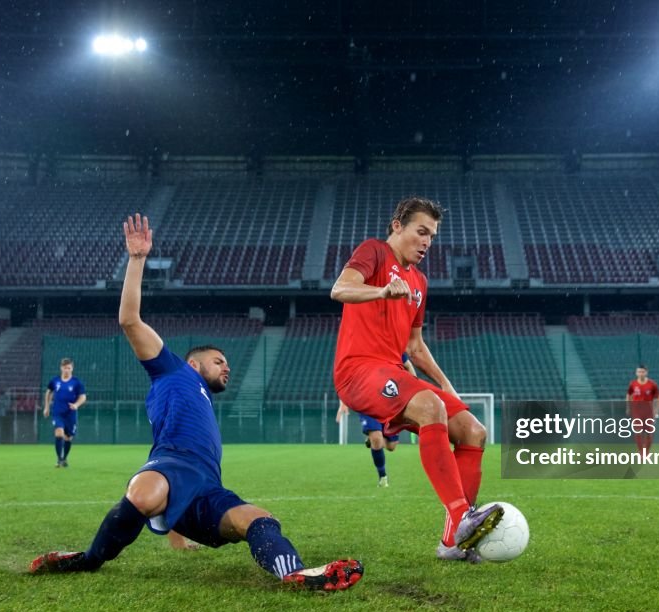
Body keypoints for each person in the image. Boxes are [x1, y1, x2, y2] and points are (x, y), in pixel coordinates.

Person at [30, 214, 363, 591]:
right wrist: (137, 260)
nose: (227, 368)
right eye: (219, 361)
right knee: (144, 492)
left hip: (206, 489)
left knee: (258, 518)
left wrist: (175, 529)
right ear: (194, 362)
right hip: (170, 466)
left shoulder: (202, 397)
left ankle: (295, 574)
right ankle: (89, 559)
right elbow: (129, 319)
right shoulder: (172, 370)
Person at [331, 197, 501, 564]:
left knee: (473, 431)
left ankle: (451, 543)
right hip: (358, 370)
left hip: (392, 371)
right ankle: (461, 519)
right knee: (429, 406)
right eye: (421, 232)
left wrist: (446, 384)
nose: (427, 242)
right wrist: (381, 290)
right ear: (397, 226)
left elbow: (415, 346)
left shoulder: (419, 281)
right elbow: (340, 289)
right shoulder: (373, 251)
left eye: (432, 236)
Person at [336, 352, 417, 488]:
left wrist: (414, 389)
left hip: (390, 400)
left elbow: (408, 366)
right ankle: (383, 477)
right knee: (377, 439)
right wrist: (342, 403)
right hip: (366, 399)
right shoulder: (360, 349)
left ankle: (373, 441)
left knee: (392, 446)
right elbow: (345, 377)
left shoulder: (394, 348)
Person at [43, 358, 87, 467]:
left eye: (69, 368)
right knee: (59, 433)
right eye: (64, 368)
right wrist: (47, 407)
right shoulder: (55, 381)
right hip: (58, 413)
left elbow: (83, 397)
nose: (66, 370)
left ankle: (64, 458)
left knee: (68, 437)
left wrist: (76, 405)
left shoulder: (76, 382)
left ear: (72, 369)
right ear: (61, 368)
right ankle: (59, 459)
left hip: (70, 414)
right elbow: (48, 392)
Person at [625, 364, 659, 456]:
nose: (641, 373)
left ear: (646, 372)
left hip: (648, 411)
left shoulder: (652, 384)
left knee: (649, 433)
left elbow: (658, 398)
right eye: (639, 371)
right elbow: (629, 396)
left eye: (642, 371)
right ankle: (641, 452)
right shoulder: (633, 384)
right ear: (636, 373)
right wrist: (629, 407)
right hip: (637, 411)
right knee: (638, 431)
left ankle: (647, 451)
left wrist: (656, 410)